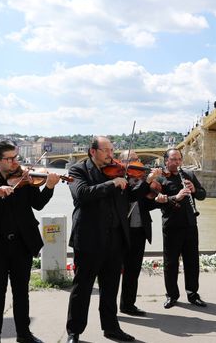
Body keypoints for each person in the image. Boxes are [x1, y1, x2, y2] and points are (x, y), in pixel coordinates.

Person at [65, 136, 158, 343]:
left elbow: (131, 197)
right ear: (93, 151)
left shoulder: (119, 171)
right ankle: (74, 331)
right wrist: (112, 183)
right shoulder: (78, 170)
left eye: (112, 150)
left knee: (110, 288)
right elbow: (82, 194)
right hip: (89, 238)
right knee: (82, 288)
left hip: (116, 238)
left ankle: (111, 328)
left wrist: (146, 183)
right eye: (106, 150)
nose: (111, 155)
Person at [0, 140, 60, 343]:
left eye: (15, 157)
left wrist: (50, 187)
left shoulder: (26, 178)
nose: (14, 162)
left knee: (21, 292)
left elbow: (38, 205)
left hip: (22, 243)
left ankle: (24, 334)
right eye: (9, 159)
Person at [153, 148, 207, 309]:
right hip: (171, 226)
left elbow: (202, 195)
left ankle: (192, 294)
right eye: (173, 159)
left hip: (190, 225)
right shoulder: (160, 179)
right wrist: (174, 198)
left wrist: (194, 190)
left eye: (179, 159)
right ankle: (171, 295)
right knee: (171, 263)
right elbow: (155, 201)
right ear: (166, 161)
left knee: (192, 262)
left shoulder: (189, 175)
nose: (176, 162)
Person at [119, 150, 156, 317]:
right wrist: (146, 182)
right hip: (121, 232)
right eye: (132, 160)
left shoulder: (141, 179)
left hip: (139, 231)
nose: (137, 163)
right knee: (113, 273)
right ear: (122, 162)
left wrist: (156, 200)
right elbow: (130, 197)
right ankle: (110, 309)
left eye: (137, 159)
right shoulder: (120, 180)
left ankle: (128, 304)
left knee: (133, 271)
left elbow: (146, 205)